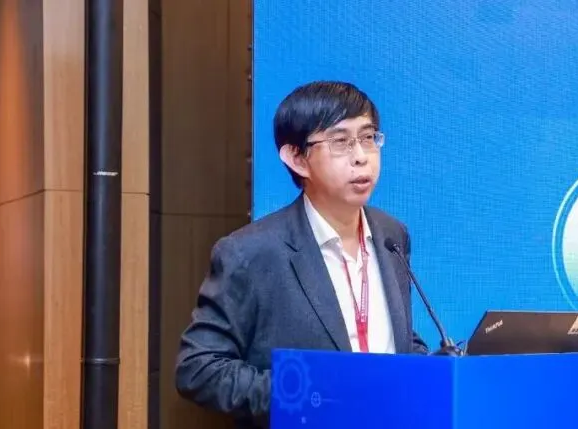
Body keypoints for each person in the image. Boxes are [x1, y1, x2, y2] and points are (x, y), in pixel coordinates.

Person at [174, 81, 429, 428]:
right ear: (297, 158)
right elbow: (198, 369)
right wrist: (306, 393)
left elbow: (394, 337)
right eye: (341, 141)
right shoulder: (251, 253)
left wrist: (431, 368)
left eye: (368, 137)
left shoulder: (391, 235)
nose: (361, 156)